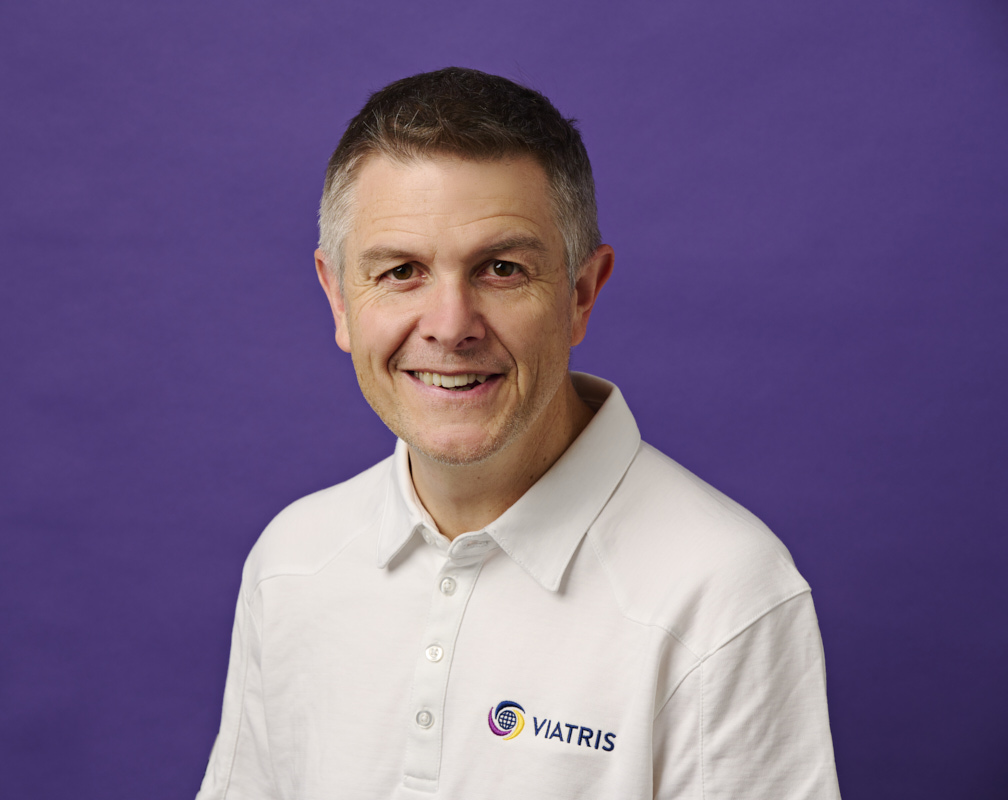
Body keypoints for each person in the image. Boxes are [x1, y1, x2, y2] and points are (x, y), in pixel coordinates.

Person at [196, 67, 841, 799]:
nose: (450, 327)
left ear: (580, 294)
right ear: (339, 297)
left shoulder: (724, 593)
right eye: (401, 271)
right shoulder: (291, 562)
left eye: (501, 269)